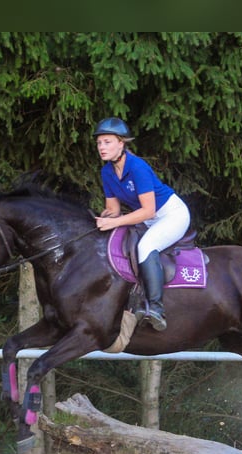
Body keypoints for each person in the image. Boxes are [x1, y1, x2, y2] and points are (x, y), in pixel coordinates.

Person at [92, 117, 191, 331]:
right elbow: (114, 210)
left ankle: (156, 308)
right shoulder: (107, 171)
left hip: (171, 214)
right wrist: (101, 218)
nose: (101, 147)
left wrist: (115, 221)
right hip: (149, 218)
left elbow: (149, 210)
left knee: (146, 247)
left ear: (121, 143)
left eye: (107, 142)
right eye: (99, 143)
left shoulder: (137, 167)